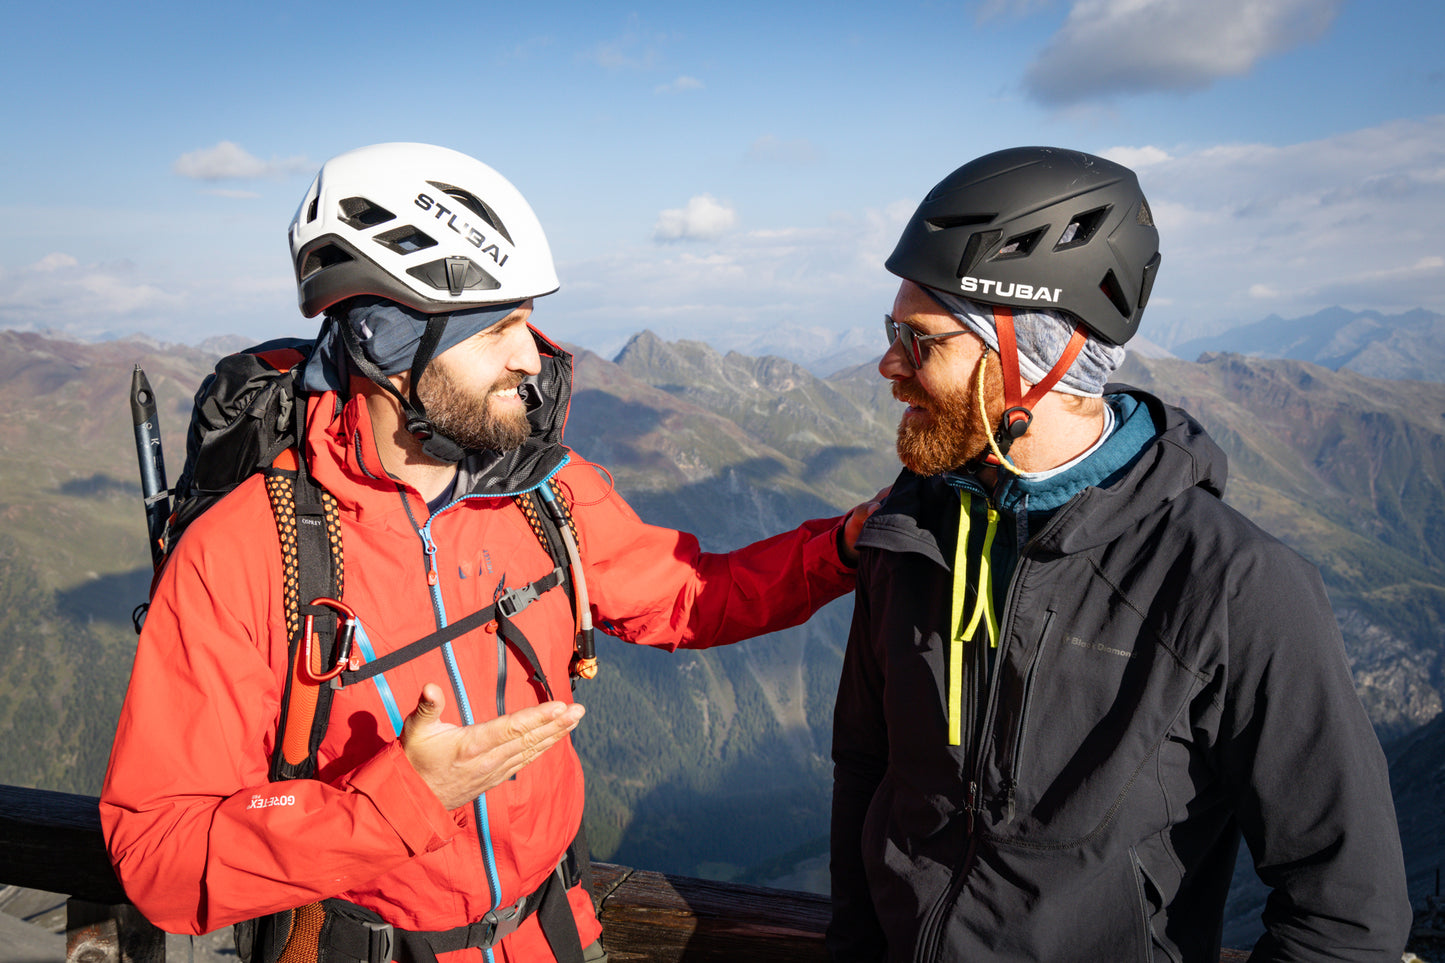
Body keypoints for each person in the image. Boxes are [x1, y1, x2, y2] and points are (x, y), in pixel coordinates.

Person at [101, 142, 877, 963]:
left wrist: (844, 546)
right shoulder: (248, 550)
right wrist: (403, 800)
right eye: (497, 328)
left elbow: (691, 595)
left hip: (554, 938)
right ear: (385, 346)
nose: (531, 356)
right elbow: (162, 853)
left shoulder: (546, 493)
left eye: (527, 321)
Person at [828, 146, 1411, 962]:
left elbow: (1346, 910)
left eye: (917, 339)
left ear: (1035, 357)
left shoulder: (1235, 588)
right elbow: (864, 767)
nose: (888, 363)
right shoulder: (912, 530)